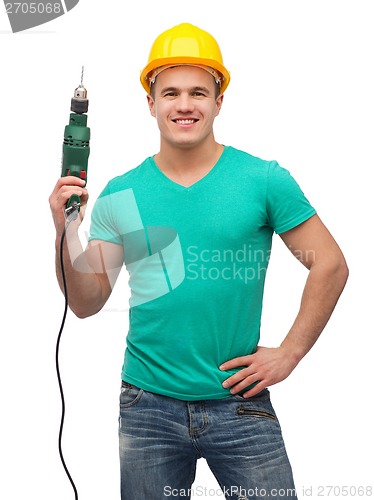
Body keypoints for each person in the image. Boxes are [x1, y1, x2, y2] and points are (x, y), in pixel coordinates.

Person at [49, 23, 349, 500]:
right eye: (170, 93)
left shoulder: (263, 180)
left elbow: (330, 263)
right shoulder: (122, 192)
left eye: (197, 92)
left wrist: (289, 352)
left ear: (218, 100)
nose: (184, 105)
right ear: (151, 103)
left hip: (240, 403)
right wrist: (65, 229)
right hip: (147, 407)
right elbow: (86, 302)